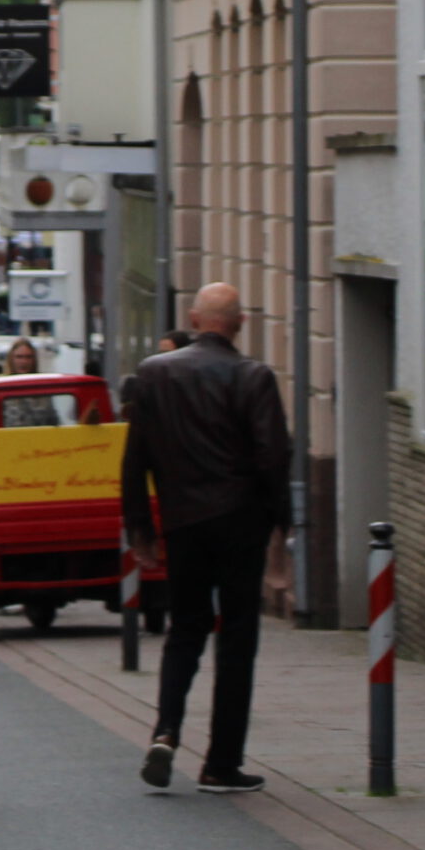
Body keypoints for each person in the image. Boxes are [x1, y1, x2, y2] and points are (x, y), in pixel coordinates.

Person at [121, 282, 289, 797]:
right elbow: (272, 460)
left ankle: (166, 730)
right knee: (237, 636)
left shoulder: (153, 374)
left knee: (185, 629)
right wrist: (282, 533)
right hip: (240, 523)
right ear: (238, 323)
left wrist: (141, 530)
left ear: (194, 318)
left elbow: (136, 460)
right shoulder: (253, 377)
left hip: (184, 522)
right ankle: (220, 763)